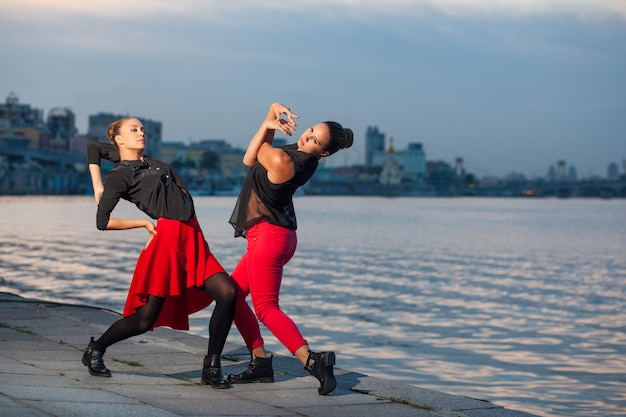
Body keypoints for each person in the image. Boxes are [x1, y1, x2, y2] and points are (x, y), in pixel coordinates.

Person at [83, 117, 236, 389]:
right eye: (134, 129)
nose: (141, 132)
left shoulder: (159, 165)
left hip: (194, 238)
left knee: (228, 293)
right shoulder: (120, 174)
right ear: (118, 139)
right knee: (145, 319)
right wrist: (140, 221)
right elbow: (102, 221)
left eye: (142, 129)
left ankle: (211, 367)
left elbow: (98, 149)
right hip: (166, 243)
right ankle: (96, 349)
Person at [226, 102, 353, 395]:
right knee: (232, 296)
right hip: (275, 236)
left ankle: (312, 360)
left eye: (315, 140)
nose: (306, 137)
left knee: (266, 308)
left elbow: (251, 157)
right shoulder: (296, 154)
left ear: (323, 152)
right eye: (309, 131)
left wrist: (269, 122)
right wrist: (271, 113)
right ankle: (260, 363)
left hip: (268, 238)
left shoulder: (288, 161)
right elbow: (254, 153)